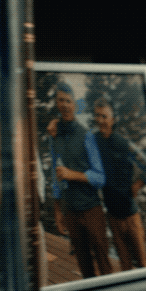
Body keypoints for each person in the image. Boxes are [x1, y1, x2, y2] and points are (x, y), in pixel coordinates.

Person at [47, 82, 112, 277]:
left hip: (91, 208)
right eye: (61, 101)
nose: (65, 105)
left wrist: (72, 174)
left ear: (74, 104)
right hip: (70, 210)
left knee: (104, 262)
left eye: (68, 101)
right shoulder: (54, 134)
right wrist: (58, 210)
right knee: (84, 266)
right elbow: (54, 174)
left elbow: (100, 177)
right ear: (57, 103)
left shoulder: (87, 136)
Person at [91, 96, 146, 270]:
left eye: (104, 116)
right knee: (125, 265)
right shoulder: (94, 142)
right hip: (112, 216)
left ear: (113, 120)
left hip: (131, 215)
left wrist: (137, 185)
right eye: (97, 116)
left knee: (143, 264)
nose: (100, 120)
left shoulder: (124, 144)